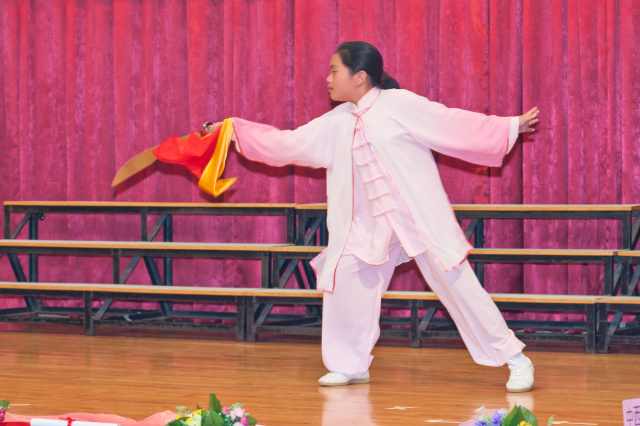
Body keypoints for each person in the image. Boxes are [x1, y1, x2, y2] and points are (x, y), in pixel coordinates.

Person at [207, 41, 540, 392]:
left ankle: (516, 359)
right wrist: (233, 131)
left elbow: (450, 122)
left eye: (334, 70)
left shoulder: (398, 104)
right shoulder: (336, 121)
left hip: (416, 218)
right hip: (367, 226)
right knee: (345, 277)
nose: (328, 78)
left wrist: (508, 126)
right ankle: (349, 365)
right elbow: (287, 144)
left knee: (457, 283)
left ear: (360, 76)